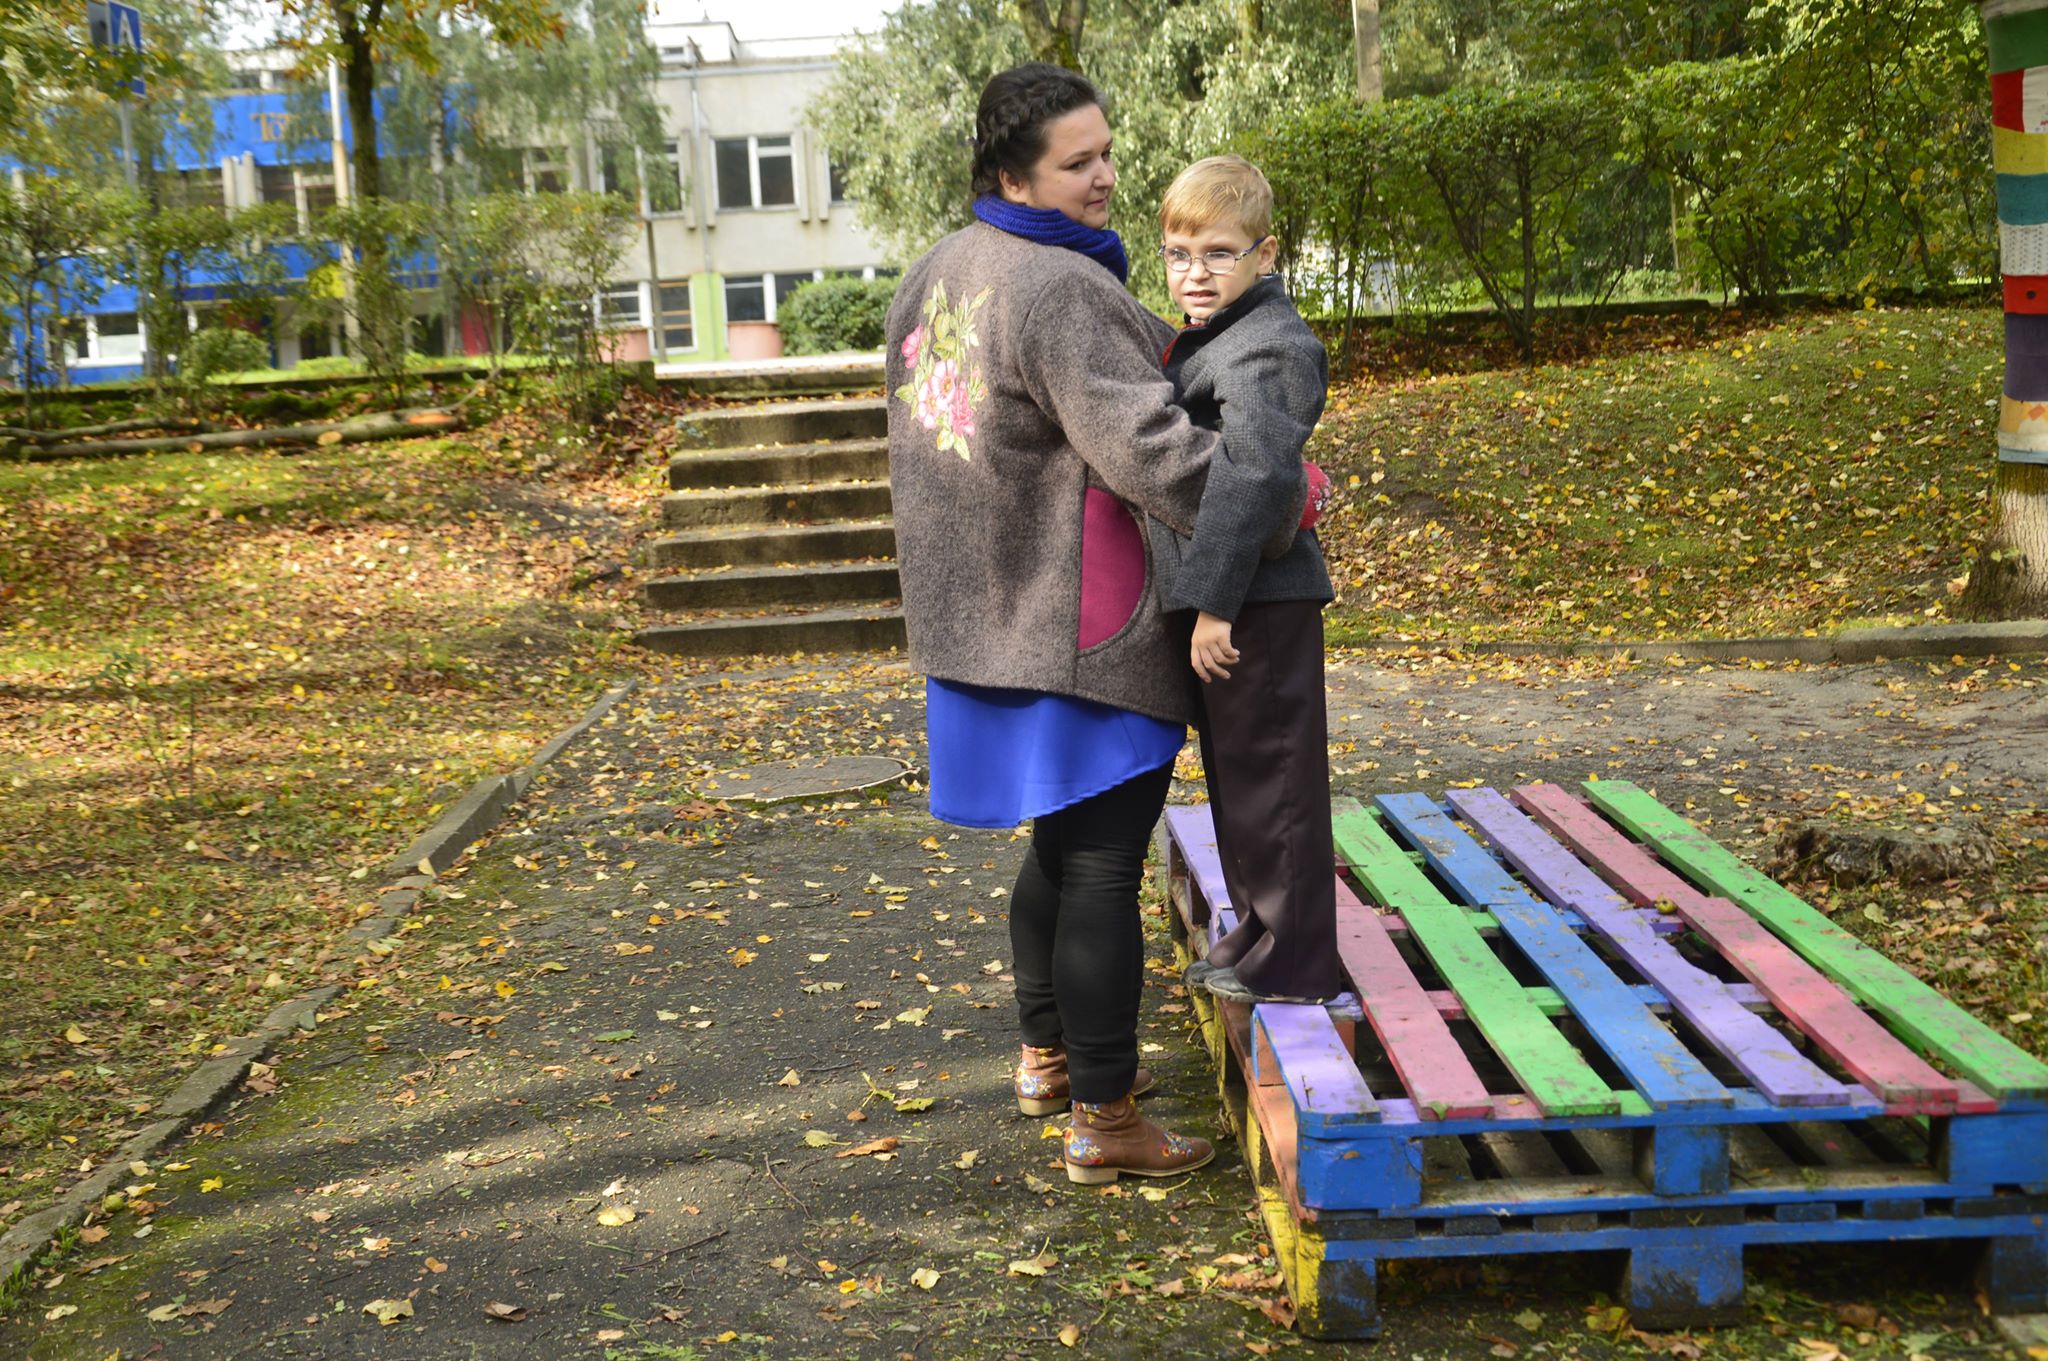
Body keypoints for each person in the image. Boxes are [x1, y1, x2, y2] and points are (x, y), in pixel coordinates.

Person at [886, 65, 1275, 1184]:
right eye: (1077, 161)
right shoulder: (1058, 287)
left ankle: (1048, 1058)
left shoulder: (936, 271)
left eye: (1106, 151)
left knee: (1057, 850)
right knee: (1102, 862)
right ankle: (1106, 1118)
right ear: (1015, 176)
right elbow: (1152, 449)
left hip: (981, 614)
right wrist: (1278, 494)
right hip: (1079, 620)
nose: (1105, 175)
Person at [1144, 155, 1346, 1008]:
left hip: (1259, 601)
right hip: (1239, 601)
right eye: (1179, 254)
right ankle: (1263, 931)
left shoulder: (1270, 343)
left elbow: (1255, 472)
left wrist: (1213, 605)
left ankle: (1297, 962)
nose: (1195, 273)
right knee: (1241, 781)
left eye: (1218, 253)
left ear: (1265, 254)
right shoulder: (1224, 332)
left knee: (1277, 784)